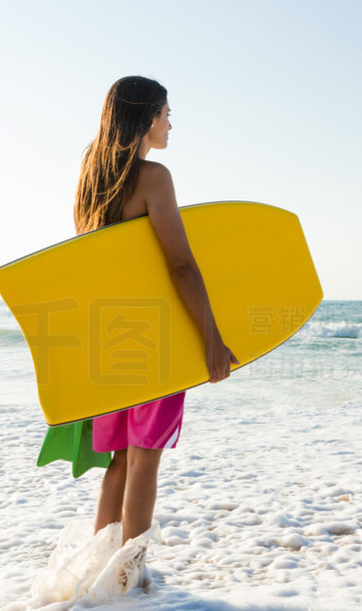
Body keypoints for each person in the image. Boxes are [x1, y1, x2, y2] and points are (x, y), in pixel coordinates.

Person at [74, 76, 238, 551]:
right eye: (167, 114)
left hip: (107, 331)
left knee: (120, 459)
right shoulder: (154, 178)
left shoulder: (92, 175)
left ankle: (100, 565)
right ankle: (129, 574)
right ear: (146, 118)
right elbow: (181, 266)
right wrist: (212, 338)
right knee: (146, 456)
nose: (170, 124)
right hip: (153, 334)